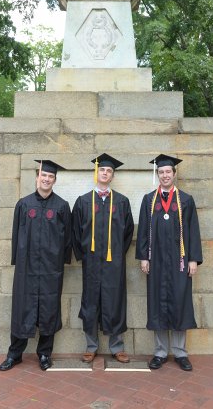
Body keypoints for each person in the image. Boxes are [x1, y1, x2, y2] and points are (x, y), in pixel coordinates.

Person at [0, 159, 71, 372]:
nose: (47, 179)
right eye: (44, 176)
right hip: (27, 268)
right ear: (37, 177)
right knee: (23, 309)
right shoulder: (24, 204)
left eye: (51, 177)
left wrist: (61, 261)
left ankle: (44, 354)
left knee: (49, 310)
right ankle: (15, 354)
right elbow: (15, 234)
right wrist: (17, 260)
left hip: (51, 268)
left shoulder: (62, 206)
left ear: (54, 180)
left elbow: (67, 239)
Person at [136, 154, 203, 371]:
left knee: (179, 303)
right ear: (158, 175)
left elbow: (193, 231)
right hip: (155, 262)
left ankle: (181, 353)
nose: (165, 175)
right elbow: (143, 231)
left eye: (168, 172)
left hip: (180, 262)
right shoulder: (149, 200)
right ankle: (160, 352)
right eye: (161, 172)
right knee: (157, 303)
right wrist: (144, 257)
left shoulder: (185, 200)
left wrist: (193, 259)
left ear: (175, 174)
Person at [72, 153, 134, 363]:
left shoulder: (122, 202)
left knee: (115, 301)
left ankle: (117, 347)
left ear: (113, 175)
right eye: (102, 170)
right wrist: (85, 256)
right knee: (90, 302)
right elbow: (75, 232)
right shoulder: (83, 202)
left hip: (113, 263)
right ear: (96, 173)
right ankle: (91, 346)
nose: (105, 173)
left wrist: (116, 255)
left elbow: (128, 234)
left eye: (109, 171)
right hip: (90, 264)